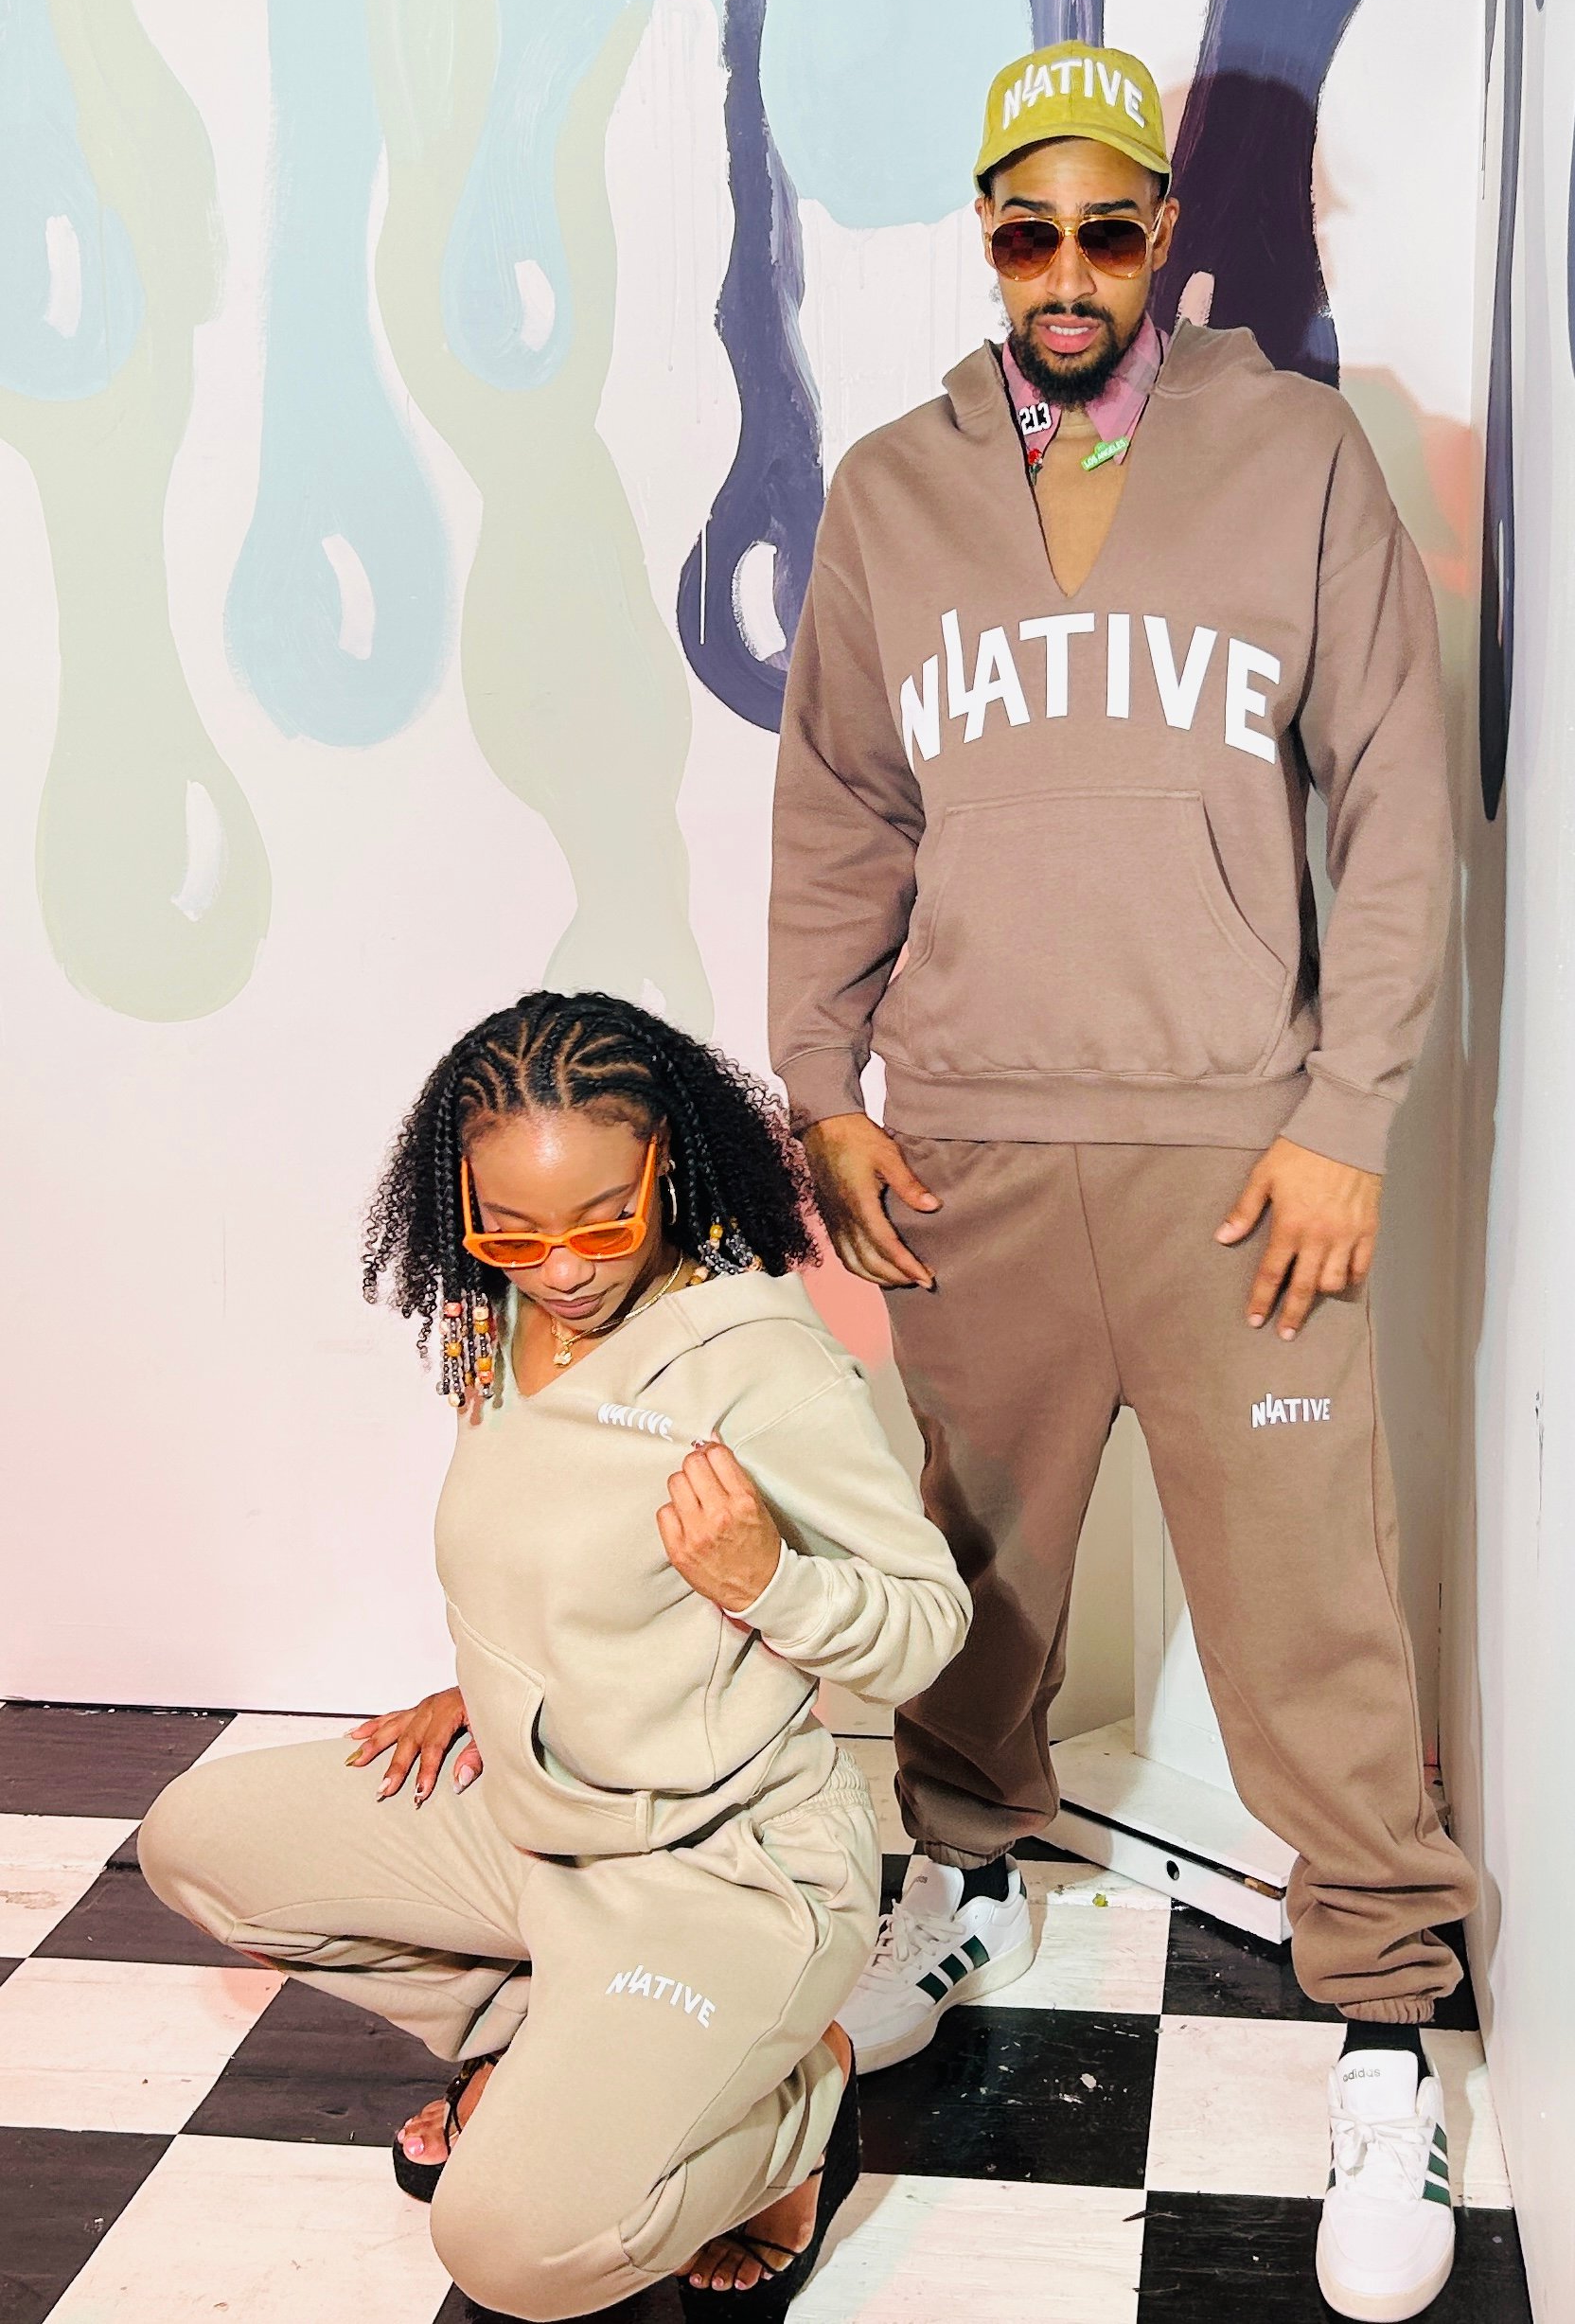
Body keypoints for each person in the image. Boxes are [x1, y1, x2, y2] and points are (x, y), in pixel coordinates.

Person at [768, 41, 1479, 2323]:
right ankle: (960, 1874)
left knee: (1309, 1601)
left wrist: (1343, 1115)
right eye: (1026, 229)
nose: (1064, 272)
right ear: (984, 235)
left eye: (1105, 228)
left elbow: (1396, 800)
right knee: (973, 1563)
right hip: (966, 1144)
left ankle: (1383, 2024)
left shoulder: (1295, 455)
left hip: (1235, 1162)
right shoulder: (893, 492)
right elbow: (842, 811)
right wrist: (824, 1084)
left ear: (1162, 234)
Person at [138, 991, 970, 2323]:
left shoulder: (757, 1359)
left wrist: (771, 1582)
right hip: (537, 1828)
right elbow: (545, 1545)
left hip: (719, 1865)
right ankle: (537, 2042)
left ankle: (796, 2109)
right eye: (513, 1230)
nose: (563, 1268)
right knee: (198, 1839)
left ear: (668, 1167)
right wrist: (489, 1686)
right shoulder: (499, 1315)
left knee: (511, 2253)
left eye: (601, 1219)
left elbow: (927, 1622)